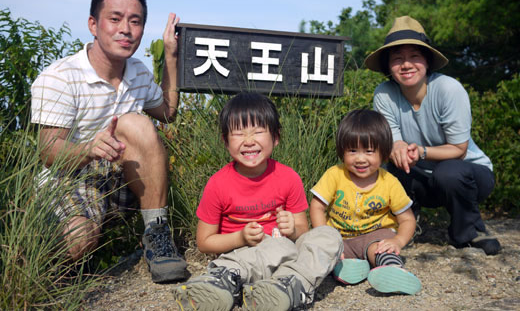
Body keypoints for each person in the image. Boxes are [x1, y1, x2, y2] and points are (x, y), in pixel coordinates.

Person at [30, 0, 188, 283]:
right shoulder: (60, 77)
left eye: (135, 21)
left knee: (135, 123)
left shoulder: (139, 72)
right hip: (72, 177)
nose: (125, 29)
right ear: (93, 24)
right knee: (78, 240)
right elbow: (49, 152)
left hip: (119, 175)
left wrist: (171, 56)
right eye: (114, 19)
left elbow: (167, 113)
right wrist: (89, 148)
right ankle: (42, 268)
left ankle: (157, 235)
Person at [173, 92, 343, 311]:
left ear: (276, 137)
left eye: (258, 132)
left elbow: (302, 230)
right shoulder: (218, 184)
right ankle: (223, 281)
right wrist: (240, 237)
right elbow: (204, 242)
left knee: (329, 235)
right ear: (225, 141)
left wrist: (292, 229)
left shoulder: (289, 177)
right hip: (242, 259)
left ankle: (290, 286)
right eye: (238, 133)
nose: (249, 141)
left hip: (286, 258)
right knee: (278, 246)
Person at [366, 16, 501, 255]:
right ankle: (408, 224)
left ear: (427, 61)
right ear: (388, 67)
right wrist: (398, 148)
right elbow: (393, 139)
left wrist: (421, 151)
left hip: (468, 173)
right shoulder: (384, 94)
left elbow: (459, 149)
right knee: (393, 166)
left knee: (448, 171)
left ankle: (468, 232)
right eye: (397, 59)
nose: (406, 65)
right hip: (421, 175)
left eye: (414, 56)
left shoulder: (448, 89)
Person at [310, 109, 421, 295]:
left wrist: (398, 241)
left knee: (380, 249)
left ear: (384, 153)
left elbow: (407, 219)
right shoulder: (335, 175)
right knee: (328, 253)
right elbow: (317, 206)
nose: (360, 159)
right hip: (339, 237)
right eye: (352, 151)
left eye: (369, 151)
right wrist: (325, 236)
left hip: (375, 235)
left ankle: (392, 271)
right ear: (342, 151)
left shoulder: (389, 182)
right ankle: (347, 267)